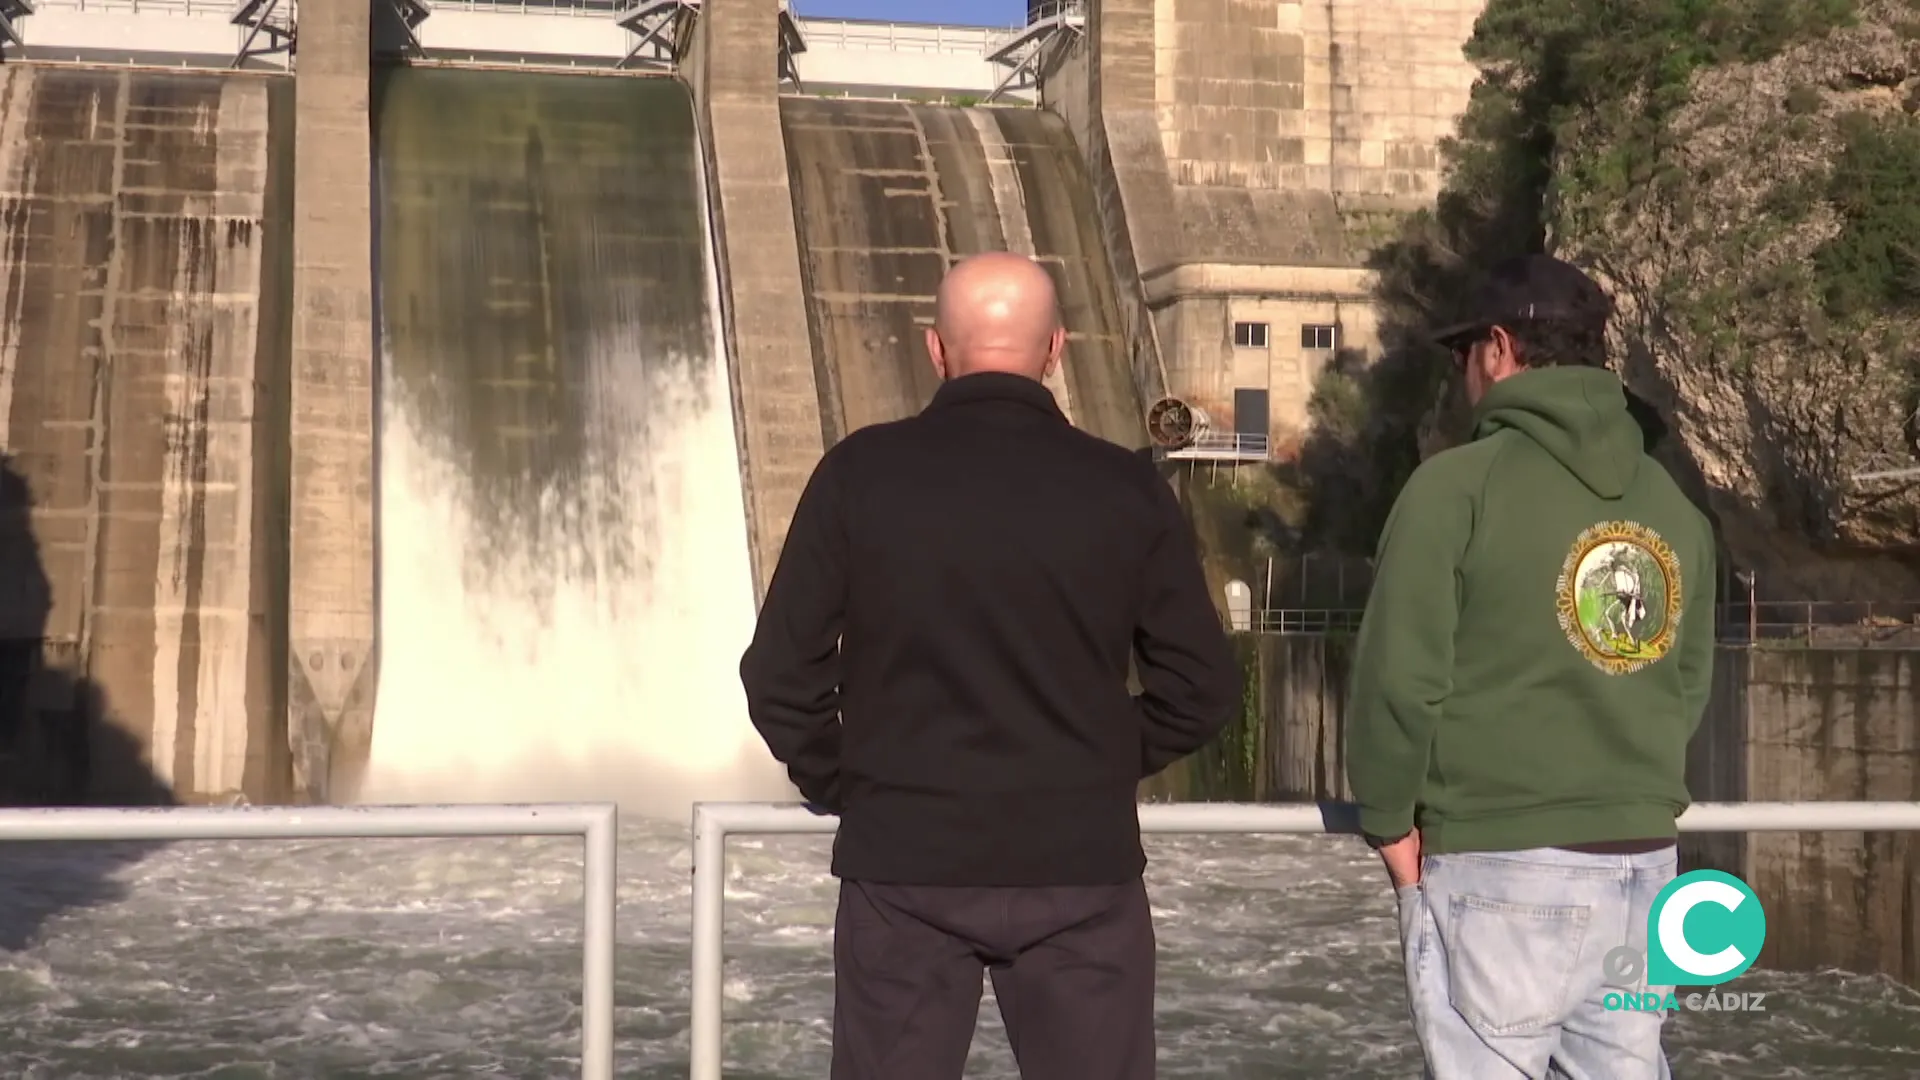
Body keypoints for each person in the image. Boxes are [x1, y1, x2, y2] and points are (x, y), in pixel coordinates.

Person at [739, 251, 1240, 1080]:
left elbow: (779, 679)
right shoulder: (1125, 489)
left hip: (903, 865)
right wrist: (1096, 763)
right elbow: (1204, 689)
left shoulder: (859, 475)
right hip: (1080, 872)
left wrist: (854, 781)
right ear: (1058, 350)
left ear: (936, 351)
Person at [1346, 254, 1717, 1079]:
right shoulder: (1672, 506)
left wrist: (1388, 819)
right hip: (1644, 863)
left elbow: (1400, 678)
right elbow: (1686, 682)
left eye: (1460, 354)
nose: (1461, 374)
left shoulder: (1456, 489)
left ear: (1497, 348)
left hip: (1499, 856)